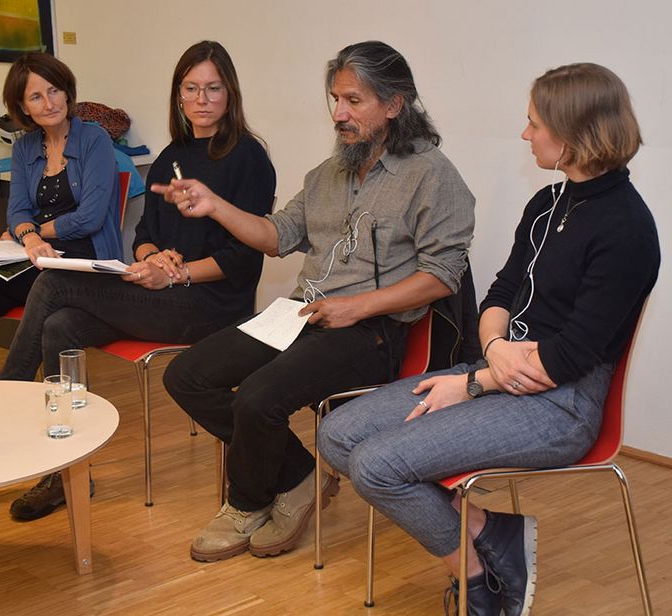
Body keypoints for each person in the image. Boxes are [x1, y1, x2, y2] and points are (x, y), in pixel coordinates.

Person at [318, 63, 660, 615]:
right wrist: (495, 353)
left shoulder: (628, 230)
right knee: (336, 434)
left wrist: (473, 383)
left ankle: (479, 583)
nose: (525, 135)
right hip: (502, 371)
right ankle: (486, 531)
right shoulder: (547, 205)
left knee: (377, 465)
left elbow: (568, 357)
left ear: (572, 134)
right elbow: (498, 293)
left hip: (560, 403)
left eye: (534, 124)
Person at [154, 41, 475, 563]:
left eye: (353, 100)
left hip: (369, 331)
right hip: (303, 315)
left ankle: (246, 502)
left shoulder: (432, 175)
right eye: (334, 99)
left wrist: (360, 306)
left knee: (258, 396)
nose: (339, 114)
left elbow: (442, 276)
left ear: (395, 104)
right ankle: (297, 476)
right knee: (186, 375)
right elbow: (277, 235)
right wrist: (215, 207)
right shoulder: (331, 172)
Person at [0, 41, 277, 521]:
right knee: (59, 325)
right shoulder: (175, 152)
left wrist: (180, 272)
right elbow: (145, 233)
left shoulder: (248, 158)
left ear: (230, 94)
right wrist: (154, 257)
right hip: (163, 292)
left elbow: (243, 260)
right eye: (191, 88)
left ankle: (1, 405)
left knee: (54, 285)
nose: (202, 98)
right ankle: (68, 472)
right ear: (179, 95)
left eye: (213, 88)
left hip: (211, 305)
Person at [0, 52, 122, 380]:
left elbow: (89, 218)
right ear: (23, 107)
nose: (49, 103)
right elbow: (16, 210)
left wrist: (31, 233)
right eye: (36, 97)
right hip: (37, 257)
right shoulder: (25, 147)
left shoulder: (94, 140)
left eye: (54, 91)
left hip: (83, 264)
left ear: (68, 92)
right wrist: (28, 236)